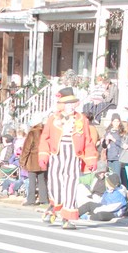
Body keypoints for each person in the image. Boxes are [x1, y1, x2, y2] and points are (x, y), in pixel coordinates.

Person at [38, 87, 98, 230]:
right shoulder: (53, 119)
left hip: (73, 155)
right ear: (62, 105)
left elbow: (88, 140)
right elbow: (45, 138)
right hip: (57, 154)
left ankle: (68, 218)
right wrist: (43, 156)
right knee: (55, 184)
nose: (70, 106)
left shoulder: (81, 119)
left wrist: (91, 159)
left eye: (72, 103)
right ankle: (54, 206)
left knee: (71, 185)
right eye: (67, 104)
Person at [20, 113, 48, 206]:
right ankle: (44, 200)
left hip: (32, 160)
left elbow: (26, 148)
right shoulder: (45, 132)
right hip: (43, 159)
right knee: (42, 181)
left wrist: (22, 161)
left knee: (32, 181)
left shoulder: (32, 133)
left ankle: (31, 200)